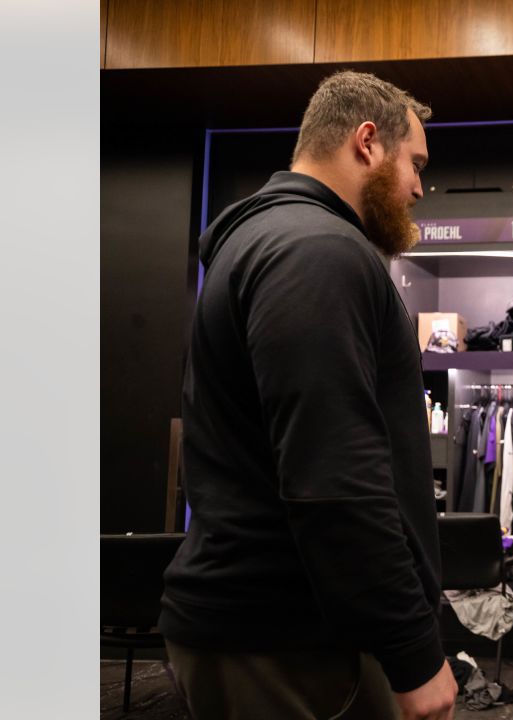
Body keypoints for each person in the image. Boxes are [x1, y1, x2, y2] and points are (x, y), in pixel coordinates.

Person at [159, 71, 456, 720]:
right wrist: (413, 648)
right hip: (288, 639)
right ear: (368, 143)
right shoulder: (320, 250)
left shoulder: (273, 240)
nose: (418, 187)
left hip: (272, 628)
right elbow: (335, 475)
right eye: (415, 163)